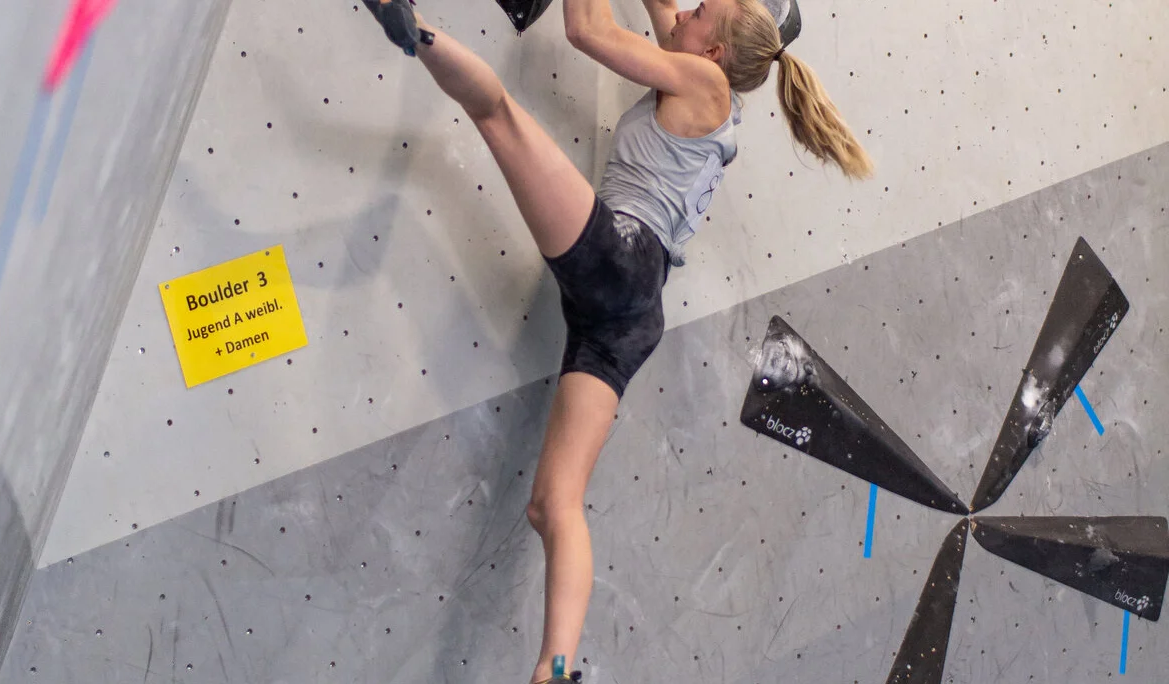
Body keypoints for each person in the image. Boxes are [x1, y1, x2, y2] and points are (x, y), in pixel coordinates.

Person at [362, 0, 873, 681]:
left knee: (499, 116)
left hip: (623, 261)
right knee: (552, 505)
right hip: (629, 313)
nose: (683, 10)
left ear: (715, 49)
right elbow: (659, 5)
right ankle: (557, 668)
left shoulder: (705, 85)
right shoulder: (700, 74)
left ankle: (407, 22)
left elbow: (586, 31)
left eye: (700, 10)